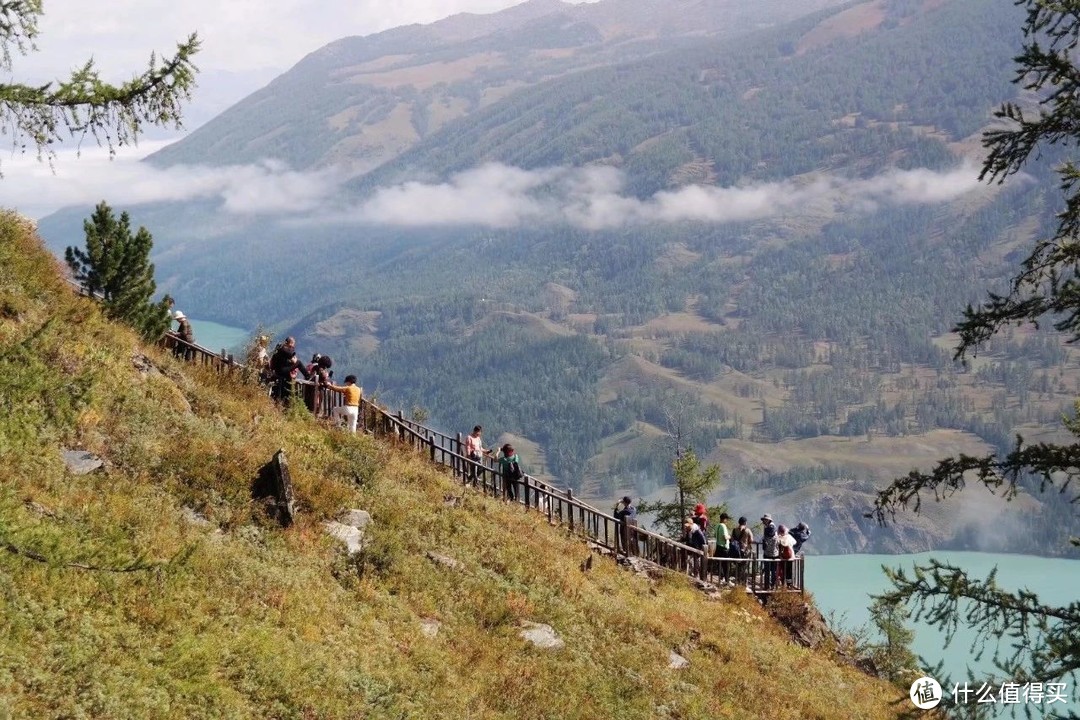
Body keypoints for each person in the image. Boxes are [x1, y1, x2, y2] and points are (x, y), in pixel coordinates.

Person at [269, 336, 310, 402]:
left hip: (278, 370)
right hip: (282, 371)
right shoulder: (285, 349)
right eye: (293, 344)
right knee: (299, 363)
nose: (293, 347)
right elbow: (294, 360)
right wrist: (294, 360)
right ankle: (308, 376)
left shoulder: (279, 349)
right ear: (290, 343)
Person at [731, 516, 754, 585]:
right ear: (745, 523)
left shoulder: (734, 530)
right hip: (745, 551)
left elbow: (732, 540)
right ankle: (744, 582)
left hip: (736, 552)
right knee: (745, 567)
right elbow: (751, 540)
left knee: (738, 567)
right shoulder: (747, 530)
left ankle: (737, 581)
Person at [760, 513, 779, 590]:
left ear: (768, 520)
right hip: (774, 553)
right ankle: (772, 585)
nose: (764, 521)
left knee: (768, 571)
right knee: (773, 571)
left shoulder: (769, 529)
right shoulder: (773, 529)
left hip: (768, 553)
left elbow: (766, 538)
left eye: (765, 520)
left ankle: (767, 586)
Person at [714, 512, 732, 582]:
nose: (727, 521)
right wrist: (730, 537)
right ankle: (727, 580)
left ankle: (720, 578)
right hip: (724, 548)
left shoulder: (717, 525)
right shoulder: (723, 526)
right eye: (727, 519)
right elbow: (725, 537)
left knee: (719, 563)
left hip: (718, 546)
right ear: (724, 519)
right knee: (726, 565)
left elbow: (715, 535)